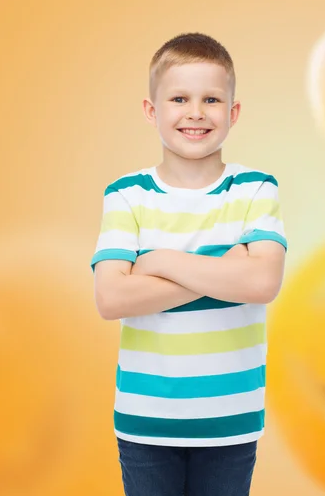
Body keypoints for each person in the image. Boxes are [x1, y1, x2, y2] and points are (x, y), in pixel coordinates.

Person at [90, 32, 287, 496]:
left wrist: (158, 263)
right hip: (146, 421)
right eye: (179, 98)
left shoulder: (256, 189)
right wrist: (225, 268)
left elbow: (262, 282)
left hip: (231, 420)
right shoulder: (126, 194)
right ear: (151, 111)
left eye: (211, 99)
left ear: (232, 113)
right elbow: (111, 297)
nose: (196, 112)